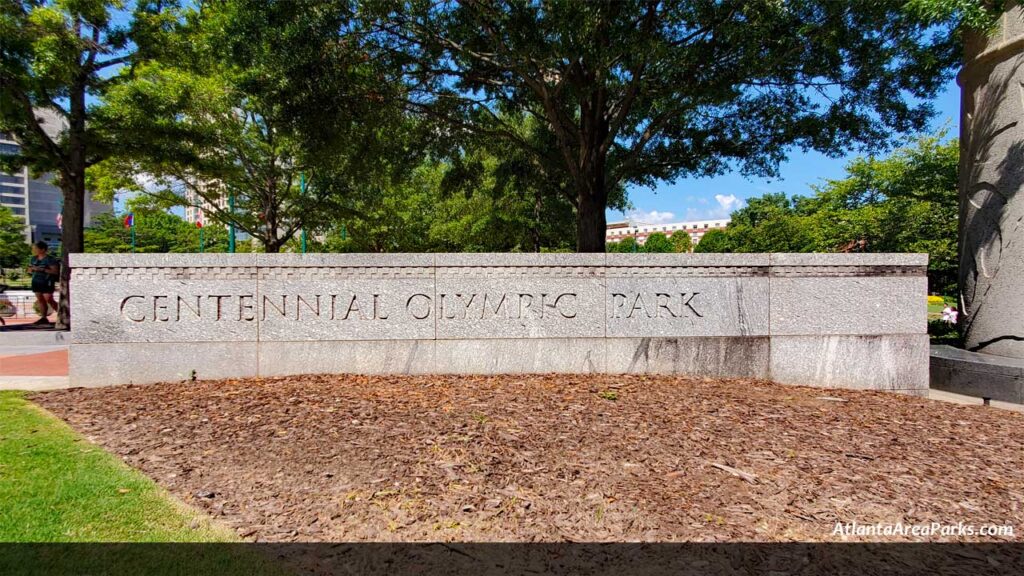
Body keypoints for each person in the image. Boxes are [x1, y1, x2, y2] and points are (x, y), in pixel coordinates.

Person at [27, 241, 60, 325]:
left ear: (43, 249)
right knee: (40, 299)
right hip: (36, 281)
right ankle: (43, 318)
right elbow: (29, 269)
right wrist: (30, 270)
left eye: (36, 248)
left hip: (47, 281)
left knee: (48, 299)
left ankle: (62, 315)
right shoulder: (33, 258)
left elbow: (55, 272)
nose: (34, 250)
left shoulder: (50, 259)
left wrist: (42, 269)